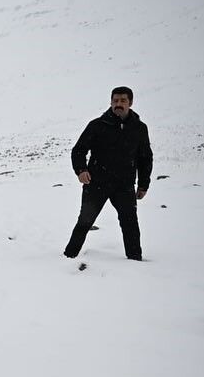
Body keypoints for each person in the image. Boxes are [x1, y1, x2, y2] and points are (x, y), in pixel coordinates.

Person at [64, 86, 153, 261]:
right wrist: (81, 170)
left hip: (124, 186)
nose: (118, 104)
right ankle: (69, 257)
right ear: (111, 102)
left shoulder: (139, 128)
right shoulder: (97, 125)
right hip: (96, 183)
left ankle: (135, 261)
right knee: (85, 221)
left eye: (123, 100)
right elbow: (79, 150)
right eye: (115, 100)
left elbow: (145, 158)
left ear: (131, 102)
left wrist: (143, 184)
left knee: (130, 224)